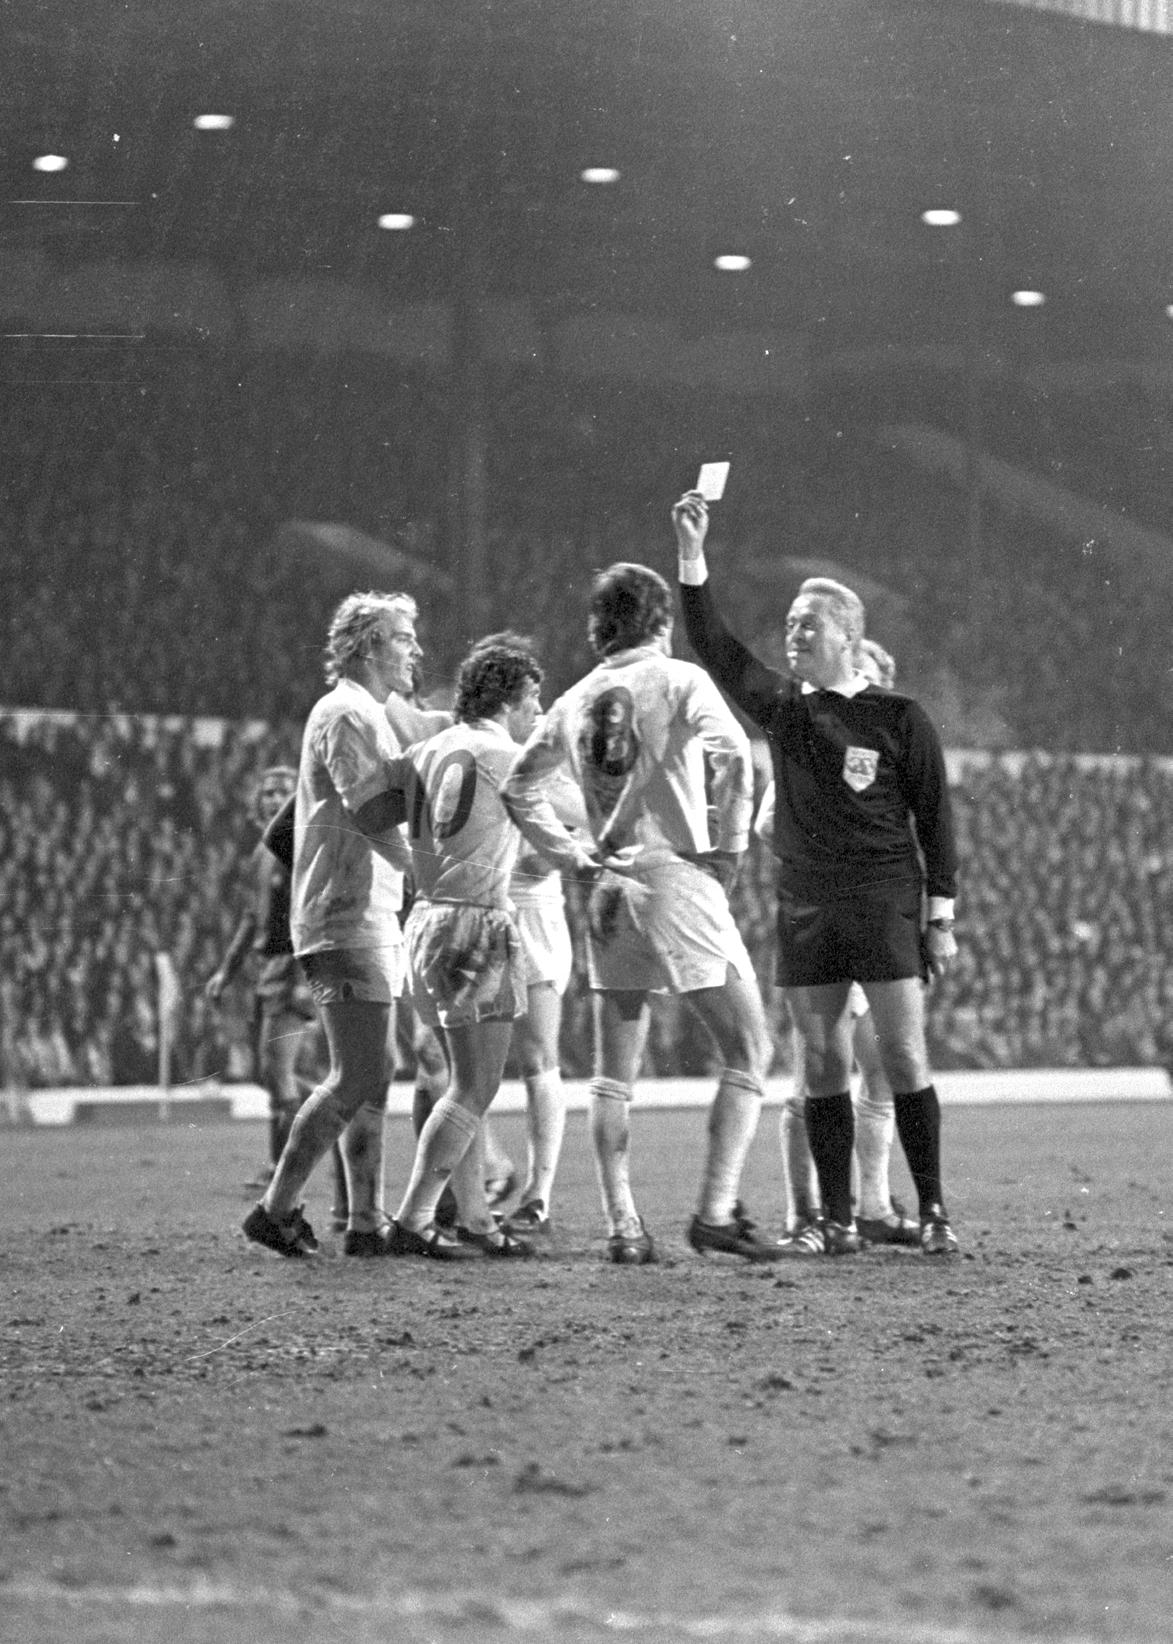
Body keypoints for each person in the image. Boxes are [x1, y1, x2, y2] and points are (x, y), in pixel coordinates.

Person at [672, 491, 960, 1257]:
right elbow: (712, 643)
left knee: (901, 1056)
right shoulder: (785, 710)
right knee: (822, 1061)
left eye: (808, 625)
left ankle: (933, 1210)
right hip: (806, 904)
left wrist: (940, 919)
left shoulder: (900, 717)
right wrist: (692, 554)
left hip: (883, 899)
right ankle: (834, 1220)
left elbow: (936, 823)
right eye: (790, 624)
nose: (792, 634)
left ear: (849, 638)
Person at [502, 561, 783, 1266]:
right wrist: (730, 849)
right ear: (660, 621)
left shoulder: (570, 701)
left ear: (598, 628)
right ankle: (715, 1211)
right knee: (750, 1049)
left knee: (613, 1071)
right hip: (674, 875)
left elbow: (517, 788)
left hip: (608, 890)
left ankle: (623, 1227)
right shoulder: (679, 679)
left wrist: (572, 856)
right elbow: (734, 756)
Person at [382, 637, 597, 1259]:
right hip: (476, 923)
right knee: (474, 1088)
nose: (538, 712)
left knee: (456, 1081)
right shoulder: (507, 756)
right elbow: (562, 827)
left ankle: (474, 1220)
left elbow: (367, 809)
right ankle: (416, 1217)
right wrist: (596, 860)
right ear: (508, 701)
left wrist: (416, 865)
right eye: (533, 701)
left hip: (424, 918)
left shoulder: (427, 749)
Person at [242, 591, 418, 1258]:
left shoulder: (366, 712)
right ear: (368, 647)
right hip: (345, 913)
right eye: (402, 637)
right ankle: (276, 1208)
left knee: (374, 1070)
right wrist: (425, 872)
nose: (414, 649)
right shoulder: (346, 713)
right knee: (359, 1070)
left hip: (365, 910)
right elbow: (371, 811)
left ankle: (365, 1220)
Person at [754, 639, 919, 1247]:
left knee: (880, 1072)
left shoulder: (890, 740)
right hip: (825, 919)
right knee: (818, 1072)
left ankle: (871, 1204)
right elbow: (766, 822)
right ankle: (805, 1213)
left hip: (877, 919)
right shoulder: (809, 749)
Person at [206, 764, 324, 1193]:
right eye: (268, 792)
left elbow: (309, 914)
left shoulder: (300, 849)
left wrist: (302, 975)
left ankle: (281, 1171)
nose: (274, 799)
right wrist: (227, 969)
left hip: (290, 966)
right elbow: (250, 917)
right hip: (266, 968)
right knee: (267, 1073)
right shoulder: (261, 853)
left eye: (283, 792)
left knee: (277, 1073)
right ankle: (331, 1109)